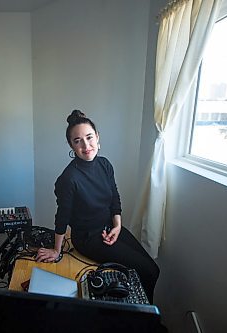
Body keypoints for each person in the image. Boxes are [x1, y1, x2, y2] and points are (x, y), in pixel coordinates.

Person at [36, 110, 160, 302]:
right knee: (147, 272)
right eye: (78, 141)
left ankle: (143, 311)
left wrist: (117, 226)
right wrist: (56, 250)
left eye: (89, 137)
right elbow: (62, 216)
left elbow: (114, 199)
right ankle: (146, 318)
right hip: (88, 238)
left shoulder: (105, 165)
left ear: (97, 137)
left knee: (153, 269)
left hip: (111, 228)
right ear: (71, 146)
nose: (86, 145)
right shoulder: (69, 179)